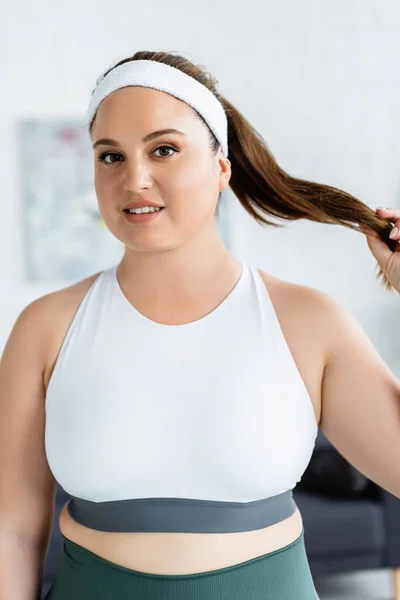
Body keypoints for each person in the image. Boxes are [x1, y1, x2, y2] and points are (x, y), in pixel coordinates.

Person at [0, 50, 400, 600]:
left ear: (220, 169)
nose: (134, 178)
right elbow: (13, 531)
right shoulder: (44, 327)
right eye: (110, 157)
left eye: (163, 149)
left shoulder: (309, 322)